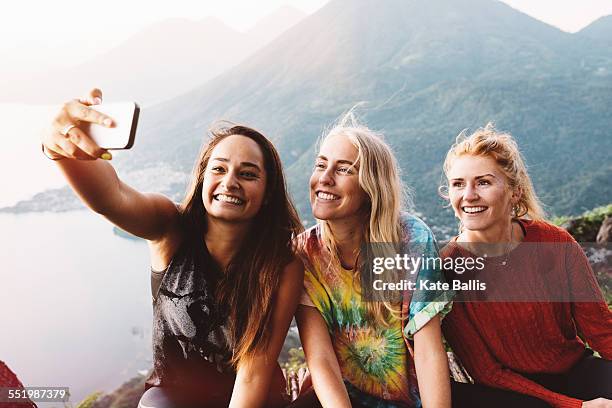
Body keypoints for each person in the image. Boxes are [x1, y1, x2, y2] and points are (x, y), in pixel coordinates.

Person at [41, 89, 304, 408]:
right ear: (203, 177)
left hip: (257, 398)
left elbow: (253, 373)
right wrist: (59, 149)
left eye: (248, 174)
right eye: (219, 169)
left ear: (267, 194)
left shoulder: (281, 263)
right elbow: (111, 197)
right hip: (176, 396)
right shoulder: (170, 227)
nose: (230, 181)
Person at [439, 123, 612, 408]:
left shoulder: (554, 243)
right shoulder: (448, 269)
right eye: (458, 184)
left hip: (574, 370)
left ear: (514, 192)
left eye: (483, 182)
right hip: (511, 392)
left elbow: (601, 330)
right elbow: (487, 372)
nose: (468, 195)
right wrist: (575, 406)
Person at [292, 113, 452, 408]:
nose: (324, 178)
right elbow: (321, 358)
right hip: (340, 398)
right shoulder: (304, 254)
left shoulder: (411, 239)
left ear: (371, 187)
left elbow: (428, 350)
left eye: (344, 169)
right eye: (321, 165)